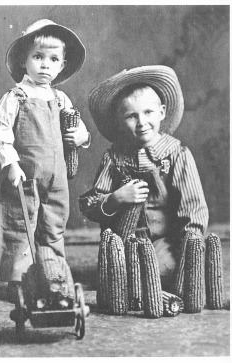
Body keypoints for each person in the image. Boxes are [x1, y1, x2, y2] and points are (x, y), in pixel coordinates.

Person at [79, 65, 209, 313]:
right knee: (117, 276)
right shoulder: (114, 157)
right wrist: (116, 198)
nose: (141, 123)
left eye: (148, 112)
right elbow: (89, 203)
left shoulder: (176, 154)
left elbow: (192, 208)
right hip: (123, 243)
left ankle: (148, 288)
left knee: (159, 270)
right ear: (119, 122)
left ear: (161, 113)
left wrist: (189, 250)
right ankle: (131, 286)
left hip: (163, 241)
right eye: (131, 116)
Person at [0, 19, 90, 310]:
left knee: (53, 224)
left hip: (56, 176)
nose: (45, 65)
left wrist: (80, 135)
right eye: (38, 57)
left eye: (53, 59)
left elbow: (80, 129)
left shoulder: (60, 99)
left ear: (61, 66)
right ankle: (19, 281)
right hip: (24, 175)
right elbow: (1, 133)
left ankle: (53, 277)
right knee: (20, 225)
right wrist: (11, 163)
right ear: (25, 60)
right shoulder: (16, 97)